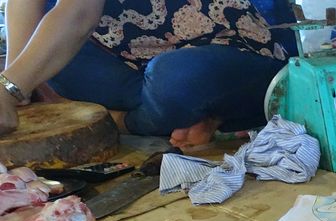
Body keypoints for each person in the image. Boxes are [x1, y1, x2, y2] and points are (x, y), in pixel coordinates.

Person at [0, 0, 295, 146]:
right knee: (48, 57)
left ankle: (124, 121)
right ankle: (185, 116)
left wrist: (8, 87)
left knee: (177, 79)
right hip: (131, 56)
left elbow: (79, 13)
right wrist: (18, 89)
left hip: (227, 47)